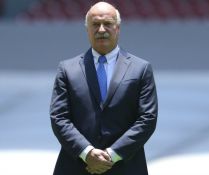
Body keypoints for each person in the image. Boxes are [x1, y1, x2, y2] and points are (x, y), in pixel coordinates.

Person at [49, 2, 158, 175]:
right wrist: (87, 153)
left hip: (126, 167)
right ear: (87, 29)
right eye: (95, 24)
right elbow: (59, 118)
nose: (101, 29)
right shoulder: (67, 69)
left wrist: (111, 155)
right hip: (76, 166)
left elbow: (147, 119)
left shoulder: (141, 69)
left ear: (118, 28)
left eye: (107, 23)